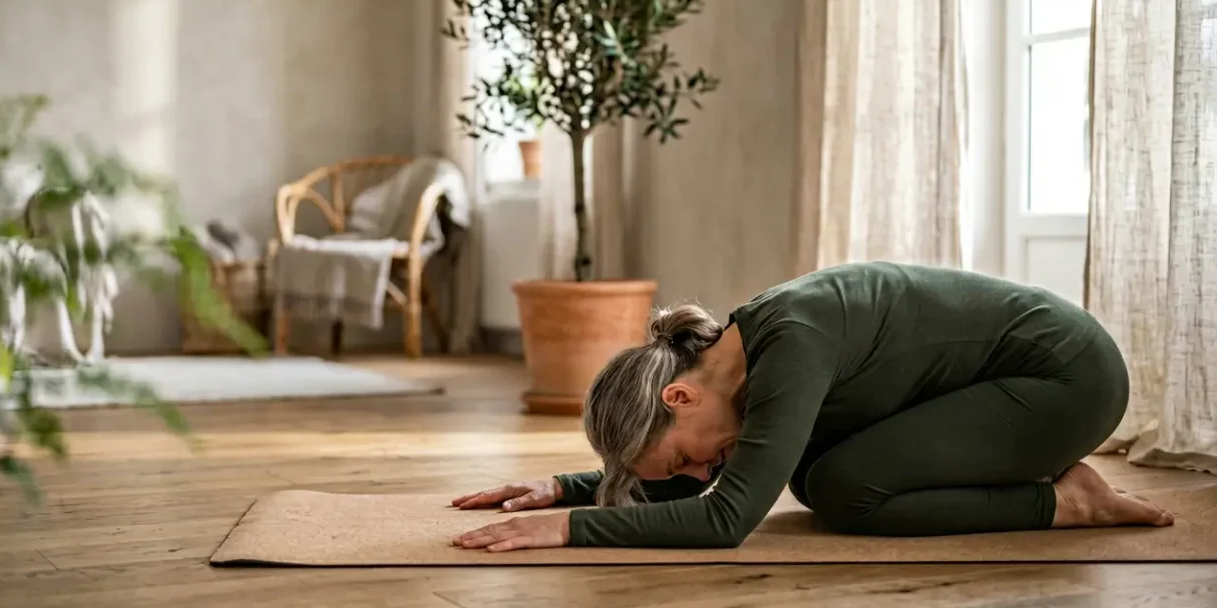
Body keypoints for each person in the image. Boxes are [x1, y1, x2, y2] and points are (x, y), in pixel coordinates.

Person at [448, 262, 1175, 553]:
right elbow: (716, 483)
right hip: (1003, 386)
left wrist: (573, 528)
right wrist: (568, 484)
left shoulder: (789, 342)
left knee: (843, 488)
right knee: (817, 475)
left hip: (1066, 382)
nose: (700, 473)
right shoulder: (738, 355)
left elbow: (728, 518)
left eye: (682, 459)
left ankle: (1069, 505)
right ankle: (1058, 490)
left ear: (679, 394)